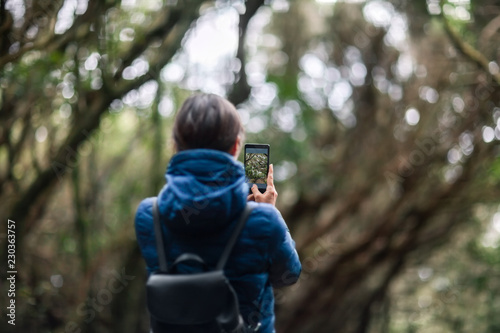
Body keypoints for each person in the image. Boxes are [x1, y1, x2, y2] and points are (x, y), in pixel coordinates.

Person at [134, 93, 301, 332]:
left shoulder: (149, 215)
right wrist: (267, 212)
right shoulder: (263, 220)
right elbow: (288, 276)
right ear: (235, 146)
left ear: (175, 144)